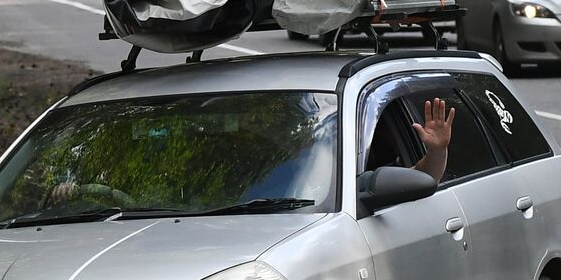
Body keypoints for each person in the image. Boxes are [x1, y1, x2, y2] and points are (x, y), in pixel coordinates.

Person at [47, 96, 457, 205]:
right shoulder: (176, 188)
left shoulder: (314, 173)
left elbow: (409, 184)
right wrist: (73, 193)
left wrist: (436, 153)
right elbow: (117, 200)